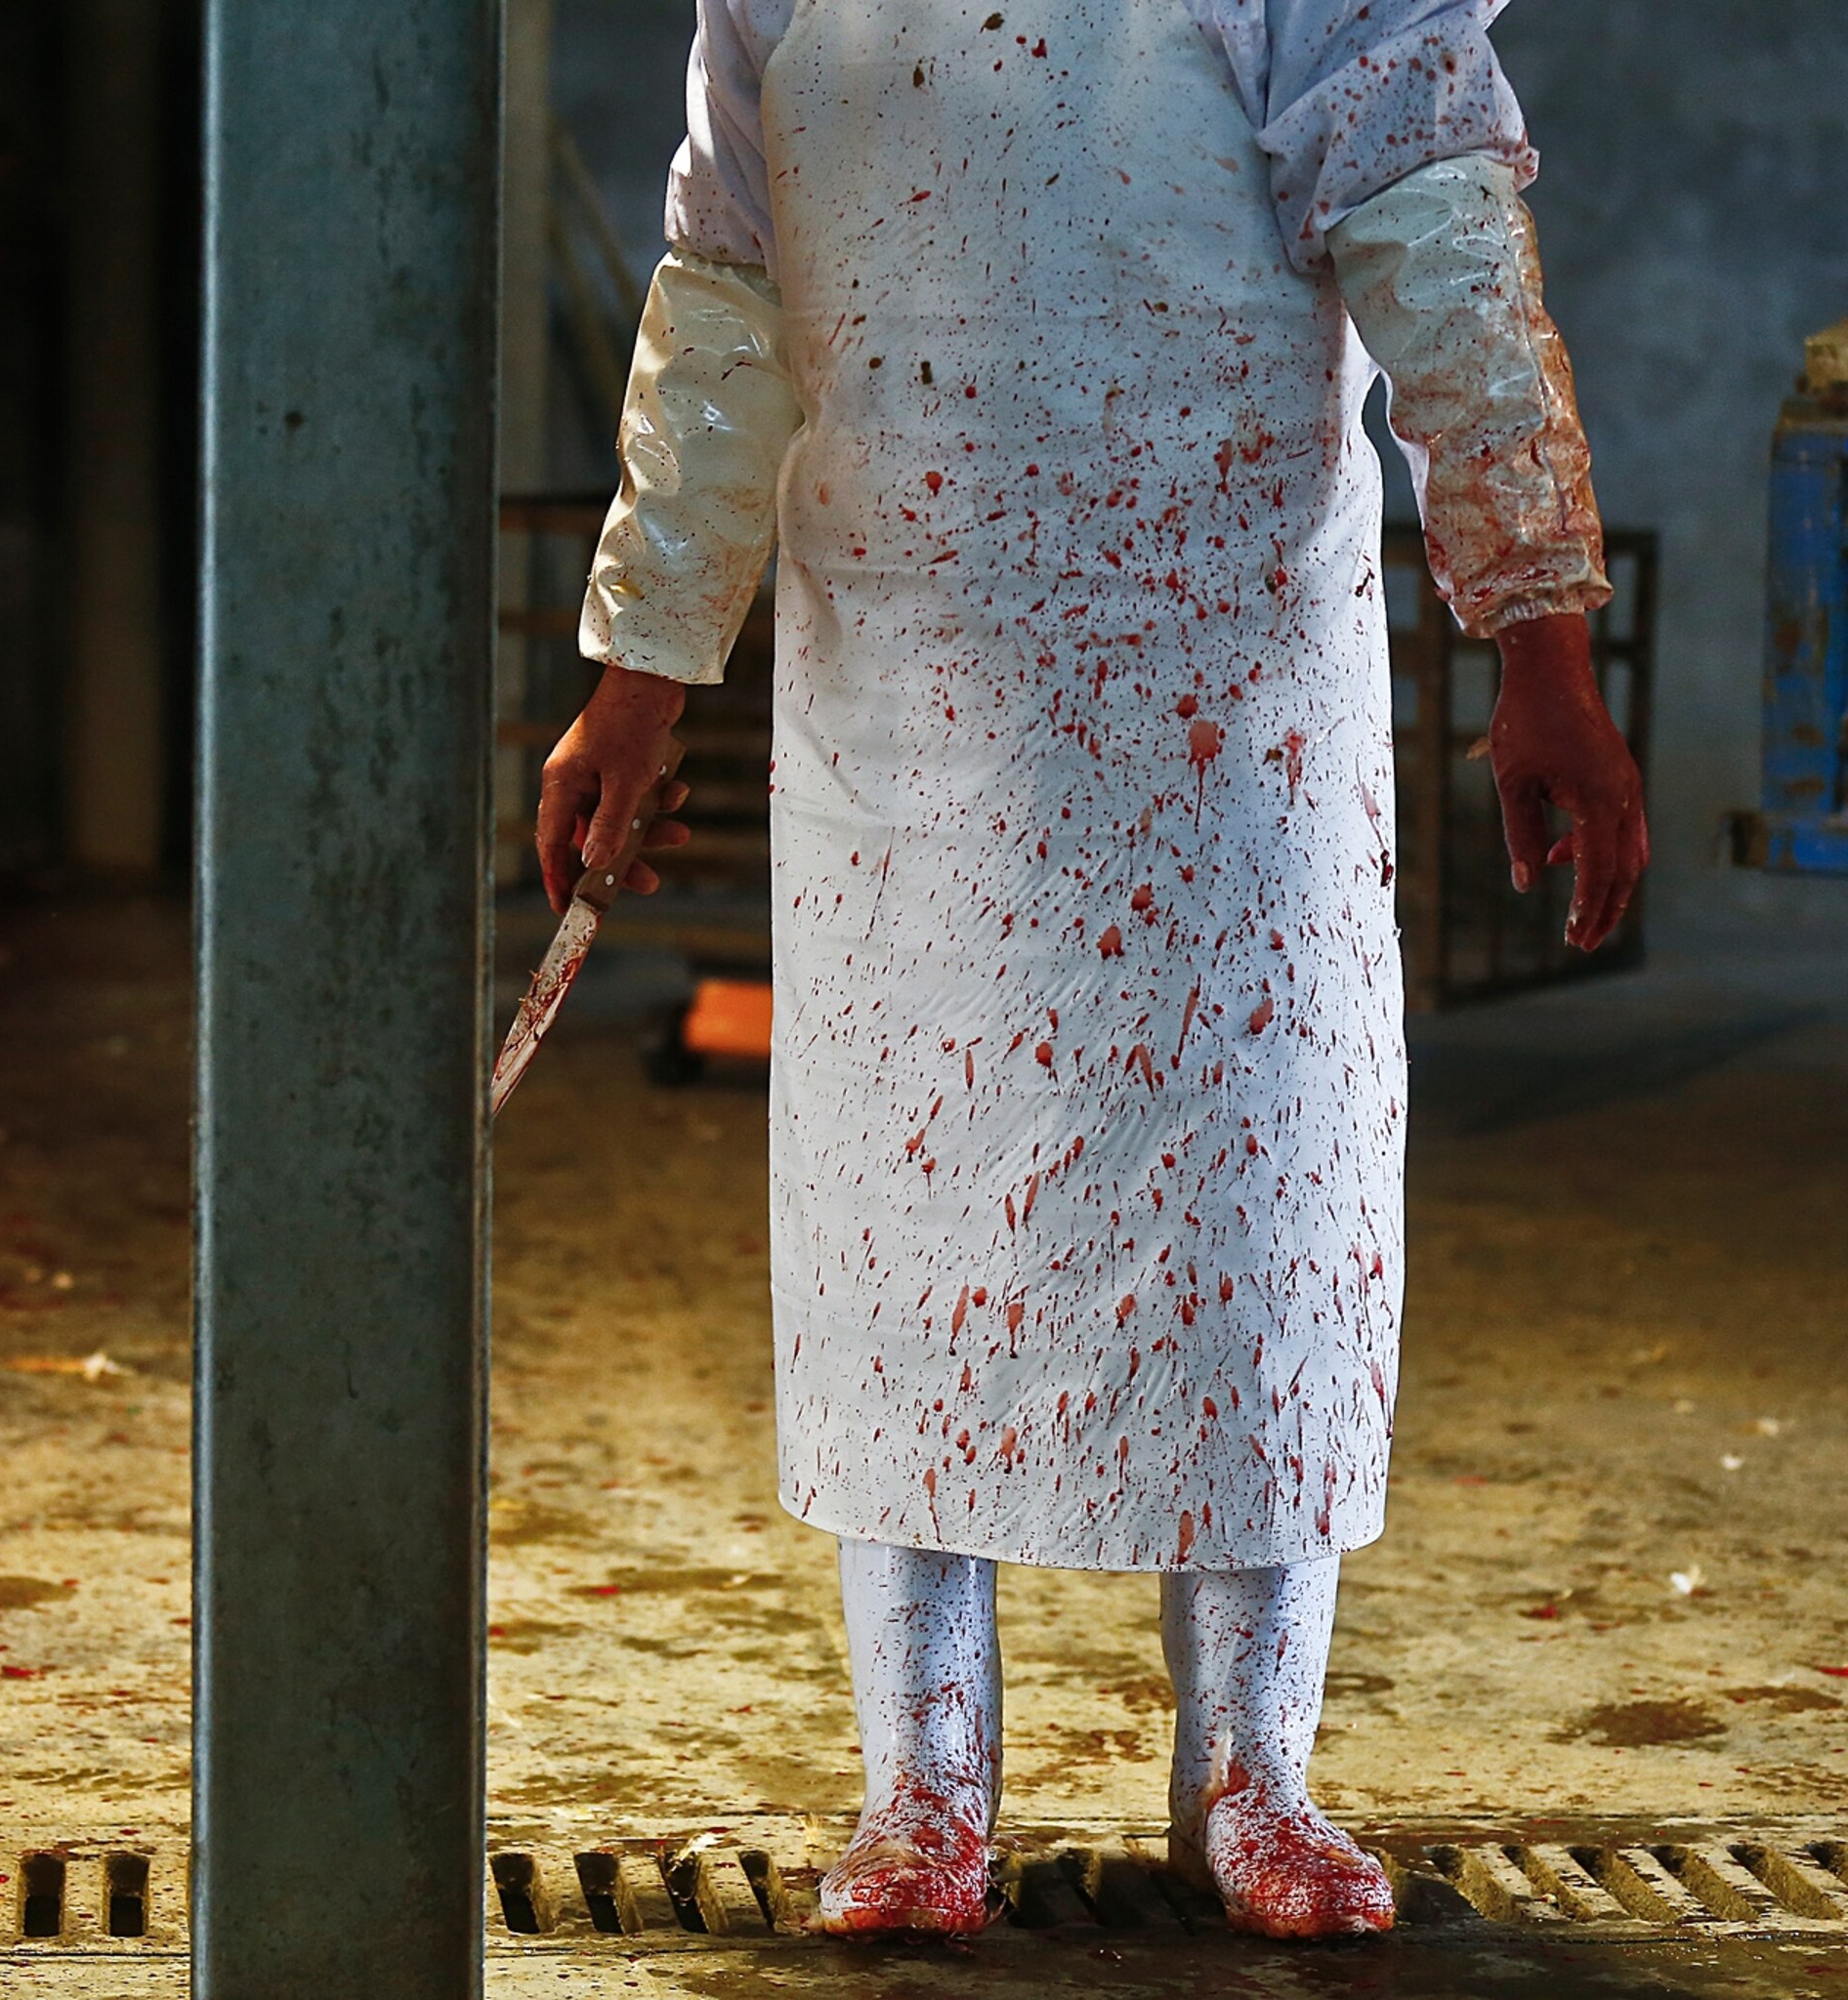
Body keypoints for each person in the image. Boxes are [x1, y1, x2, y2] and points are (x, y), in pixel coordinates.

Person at [540, 0, 1646, 1939]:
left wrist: (1537, 626)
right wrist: (639, 670)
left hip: (1226, 695)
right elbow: (728, 291)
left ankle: (1254, 1772)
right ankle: (923, 1786)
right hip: (907, 688)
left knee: (1257, 1218)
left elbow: (1441, 229)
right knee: (910, 1222)